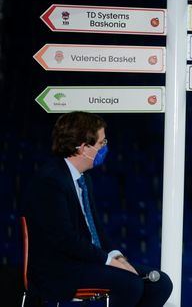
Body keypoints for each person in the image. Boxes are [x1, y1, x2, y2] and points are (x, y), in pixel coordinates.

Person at [21, 111, 172, 306]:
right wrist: (107, 261)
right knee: (130, 284)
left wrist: (115, 255)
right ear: (84, 148)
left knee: (160, 283)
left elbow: (96, 229)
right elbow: (64, 239)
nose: (105, 147)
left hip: (86, 262)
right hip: (59, 269)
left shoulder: (83, 179)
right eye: (102, 143)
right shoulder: (50, 181)